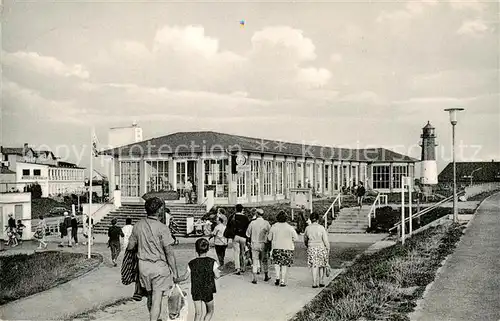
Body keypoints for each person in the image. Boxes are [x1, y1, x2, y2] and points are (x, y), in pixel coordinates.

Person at [127, 197, 181, 321]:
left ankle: (154, 318)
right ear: (160, 210)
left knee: (150, 296)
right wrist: (175, 273)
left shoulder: (138, 225)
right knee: (157, 299)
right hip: (159, 268)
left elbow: (130, 246)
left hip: (143, 268)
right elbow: (169, 253)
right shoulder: (162, 228)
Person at [177, 238, 220, 321]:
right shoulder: (212, 262)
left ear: (196, 249)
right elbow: (217, 276)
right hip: (208, 290)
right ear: (208, 249)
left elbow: (185, 277)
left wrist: (176, 280)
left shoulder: (191, 263)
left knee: (198, 313)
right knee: (210, 311)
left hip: (196, 290)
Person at [268, 210, 298, 287]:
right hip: (287, 248)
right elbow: (296, 238)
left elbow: (269, 238)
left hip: (276, 248)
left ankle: (277, 277)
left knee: (277, 264)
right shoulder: (289, 227)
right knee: (284, 265)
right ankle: (282, 281)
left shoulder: (274, 226)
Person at [303, 212, 330, 288]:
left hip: (311, 248)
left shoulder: (307, 228)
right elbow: (325, 240)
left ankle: (314, 283)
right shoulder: (321, 228)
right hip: (321, 248)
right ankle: (321, 281)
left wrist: (307, 245)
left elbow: (305, 239)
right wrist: (328, 248)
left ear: (311, 220)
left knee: (314, 265)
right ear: (318, 219)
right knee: (321, 265)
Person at [246, 208, 271, 284]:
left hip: (254, 243)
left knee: (255, 260)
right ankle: (266, 275)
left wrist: (248, 242)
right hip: (263, 243)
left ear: (257, 214)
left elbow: (248, 234)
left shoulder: (252, 223)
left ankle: (255, 278)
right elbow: (270, 234)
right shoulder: (266, 223)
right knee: (265, 260)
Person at [226, 204, 250, 275]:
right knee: (242, 252)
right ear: (242, 209)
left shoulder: (232, 216)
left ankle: (237, 268)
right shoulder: (245, 218)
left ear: (235, 209)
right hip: (243, 237)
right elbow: (248, 228)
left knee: (236, 252)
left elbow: (228, 226)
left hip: (235, 236)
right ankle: (243, 267)